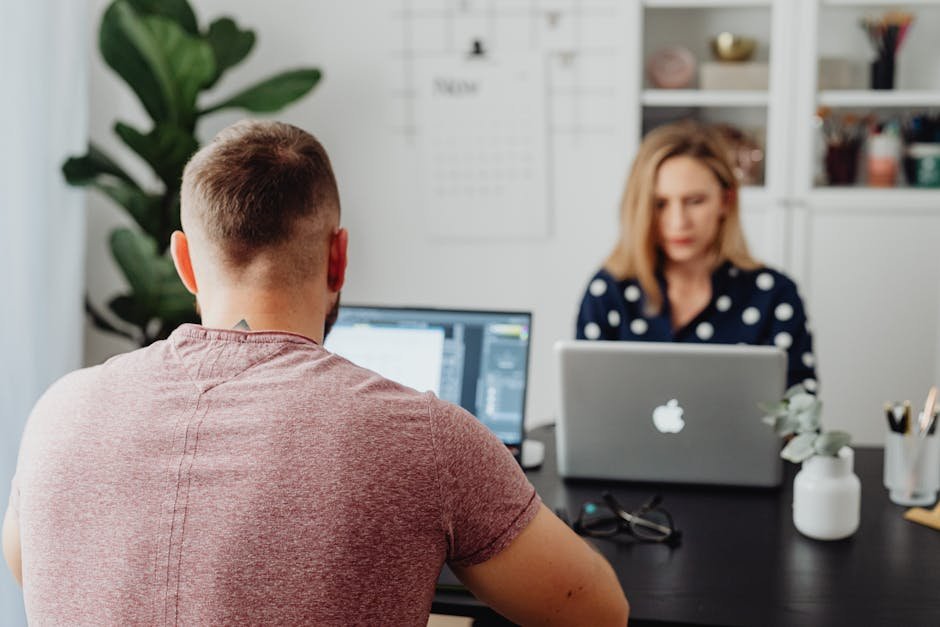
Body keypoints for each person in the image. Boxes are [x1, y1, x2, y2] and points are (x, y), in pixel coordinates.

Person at [4, 121, 628, 626]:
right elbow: (598, 613)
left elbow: (34, 568)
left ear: (185, 262)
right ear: (339, 255)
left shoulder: (61, 410)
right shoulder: (424, 437)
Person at [577, 121, 817, 390]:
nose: (679, 222)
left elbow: (800, 414)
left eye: (695, 201)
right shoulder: (608, 291)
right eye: (660, 204)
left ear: (725, 201)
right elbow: (585, 400)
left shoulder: (774, 295)